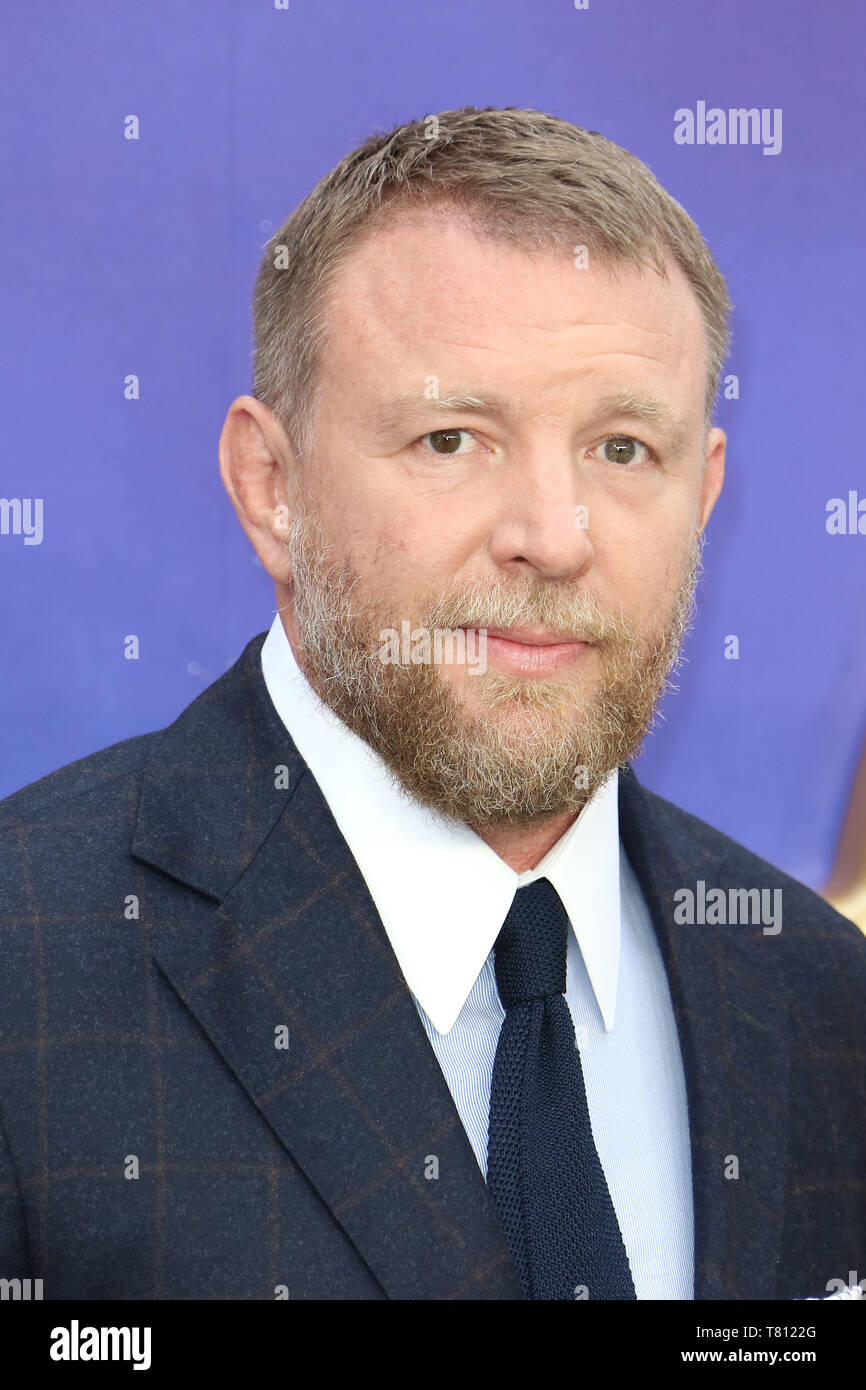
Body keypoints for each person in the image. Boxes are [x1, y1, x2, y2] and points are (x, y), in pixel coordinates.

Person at [1, 106, 863, 1301]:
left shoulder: (825, 1001)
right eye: (452, 438)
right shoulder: (25, 960)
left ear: (702, 492)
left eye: (620, 450)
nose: (551, 540)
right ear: (271, 488)